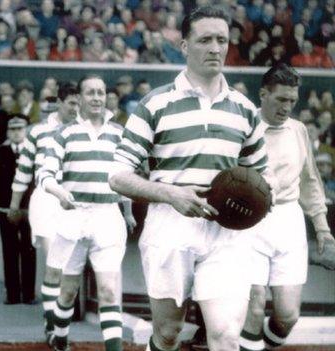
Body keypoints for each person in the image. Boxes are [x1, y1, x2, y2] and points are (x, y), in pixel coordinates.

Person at [109, 6, 272, 351]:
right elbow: (117, 176)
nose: (215, 48)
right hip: (170, 228)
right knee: (168, 333)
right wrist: (171, 194)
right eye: (205, 40)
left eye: (222, 40)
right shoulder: (155, 104)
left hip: (226, 234)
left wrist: (254, 207)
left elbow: (262, 177)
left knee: (226, 335)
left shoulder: (244, 110)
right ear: (184, 46)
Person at [239, 63, 335, 351]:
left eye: (292, 101)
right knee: (254, 306)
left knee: (288, 316)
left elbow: (310, 181)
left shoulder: (298, 130)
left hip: (289, 221)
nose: (287, 107)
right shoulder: (243, 128)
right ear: (263, 94)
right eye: (281, 99)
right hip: (249, 222)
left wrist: (322, 228)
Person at [39, 75, 125, 351]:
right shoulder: (63, 133)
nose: (97, 98)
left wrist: (129, 210)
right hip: (74, 216)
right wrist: (59, 192)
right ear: (80, 98)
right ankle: (60, 338)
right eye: (91, 93)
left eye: (101, 92)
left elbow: (127, 176)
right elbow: (45, 174)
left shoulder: (119, 133)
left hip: (108, 216)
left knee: (109, 290)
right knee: (68, 291)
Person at [8, 81, 79, 345]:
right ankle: (52, 326)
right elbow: (24, 171)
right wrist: (15, 206)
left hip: (73, 200)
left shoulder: (83, 131)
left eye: (78, 103)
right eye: (71, 103)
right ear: (58, 102)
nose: (76, 108)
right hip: (46, 200)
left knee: (67, 268)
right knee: (54, 260)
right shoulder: (37, 132)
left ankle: (58, 326)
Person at [0, 115, 36, 305]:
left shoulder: (33, 152)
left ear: (26, 130)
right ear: (8, 132)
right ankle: (12, 294)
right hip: (5, 209)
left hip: (28, 209)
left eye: (20, 128)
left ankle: (28, 294)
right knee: (9, 251)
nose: (17, 133)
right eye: (13, 129)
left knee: (28, 250)